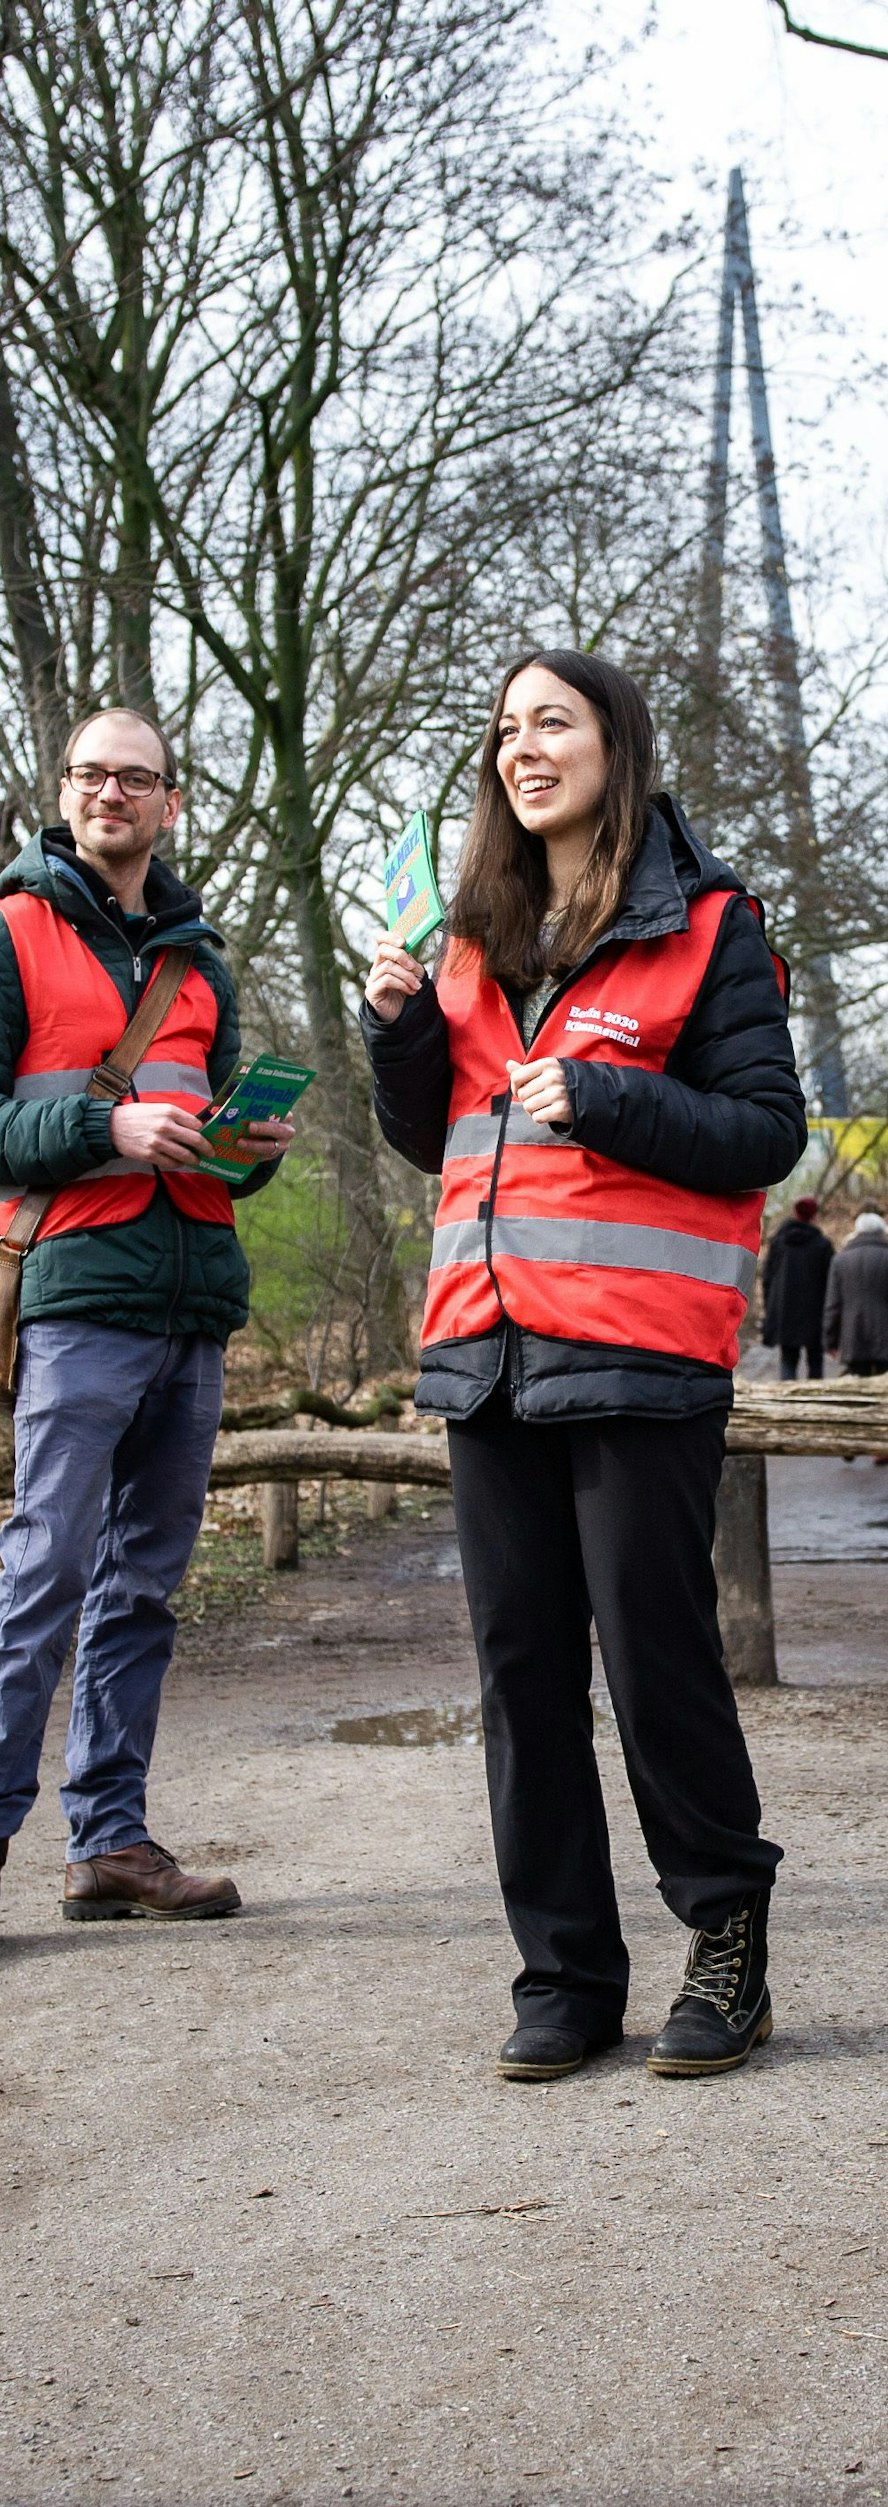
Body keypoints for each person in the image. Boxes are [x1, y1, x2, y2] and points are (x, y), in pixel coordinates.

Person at [362, 651, 805, 2085]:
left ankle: (724, 1941)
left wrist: (610, 1095)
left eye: (552, 720)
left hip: (635, 1355)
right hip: (485, 1353)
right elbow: (442, 1140)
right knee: (521, 1673)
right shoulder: (473, 933)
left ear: (616, 741)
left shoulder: (711, 923)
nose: (522, 747)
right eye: (504, 727)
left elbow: (762, 1132)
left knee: (661, 1664)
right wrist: (400, 1039)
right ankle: (564, 1972)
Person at [0, 708, 295, 1966]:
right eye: (89, 774)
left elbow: (211, 1144)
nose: (109, 791)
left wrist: (247, 1155)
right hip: (71, 1302)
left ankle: (109, 1842)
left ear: (167, 803)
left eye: (133, 776)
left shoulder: (198, 964)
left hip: (190, 1307)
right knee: (41, 1577)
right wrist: (99, 1126)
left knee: (141, 1590)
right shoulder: (1, 935)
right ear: (64, 795)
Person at [761, 1196, 833, 1379]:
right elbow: (830, 1282)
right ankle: (816, 1402)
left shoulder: (779, 1243)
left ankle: (788, 1401)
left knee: (788, 1359)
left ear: (795, 1213)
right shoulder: (822, 1245)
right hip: (814, 1312)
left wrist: (770, 1308)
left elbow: (768, 1278)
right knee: (816, 1360)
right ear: (815, 1216)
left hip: (785, 1310)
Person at [824, 1207, 888, 1377]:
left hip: (853, 1337)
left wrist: (830, 1340)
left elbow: (833, 1305)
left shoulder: (840, 1260)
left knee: (859, 1391)